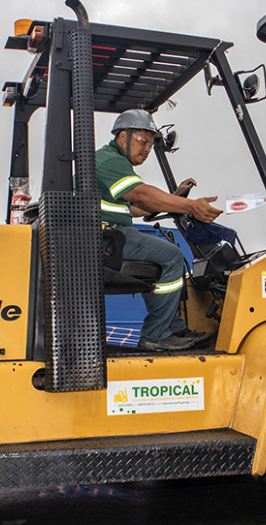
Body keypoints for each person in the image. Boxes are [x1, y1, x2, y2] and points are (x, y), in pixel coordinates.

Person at [96, 109, 223, 351]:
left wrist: (173, 199)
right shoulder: (110, 161)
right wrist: (191, 206)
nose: (147, 149)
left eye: (152, 144)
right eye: (143, 141)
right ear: (123, 137)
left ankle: (172, 327)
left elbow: (135, 208)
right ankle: (156, 333)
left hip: (109, 234)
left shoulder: (112, 162)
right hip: (106, 238)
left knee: (166, 256)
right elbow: (142, 194)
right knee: (172, 256)